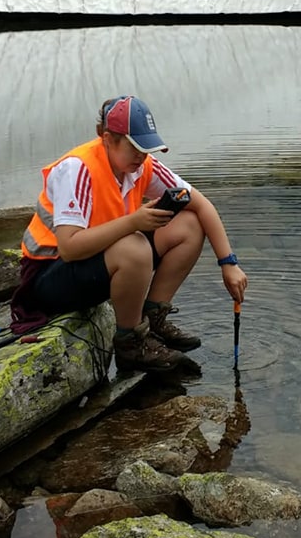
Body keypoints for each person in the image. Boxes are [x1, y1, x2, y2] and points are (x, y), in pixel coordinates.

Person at [14, 95, 248, 372]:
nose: (142, 156)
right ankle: (130, 342)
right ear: (107, 137)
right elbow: (70, 248)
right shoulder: (78, 169)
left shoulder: (141, 166)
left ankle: (153, 318)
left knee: (189, 224)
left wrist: (228, 263)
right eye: (135, 147)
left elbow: (201, 204)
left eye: (147, 148)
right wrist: (133, 222)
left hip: (97, 260)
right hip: (49, 277)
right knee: (135, 246)